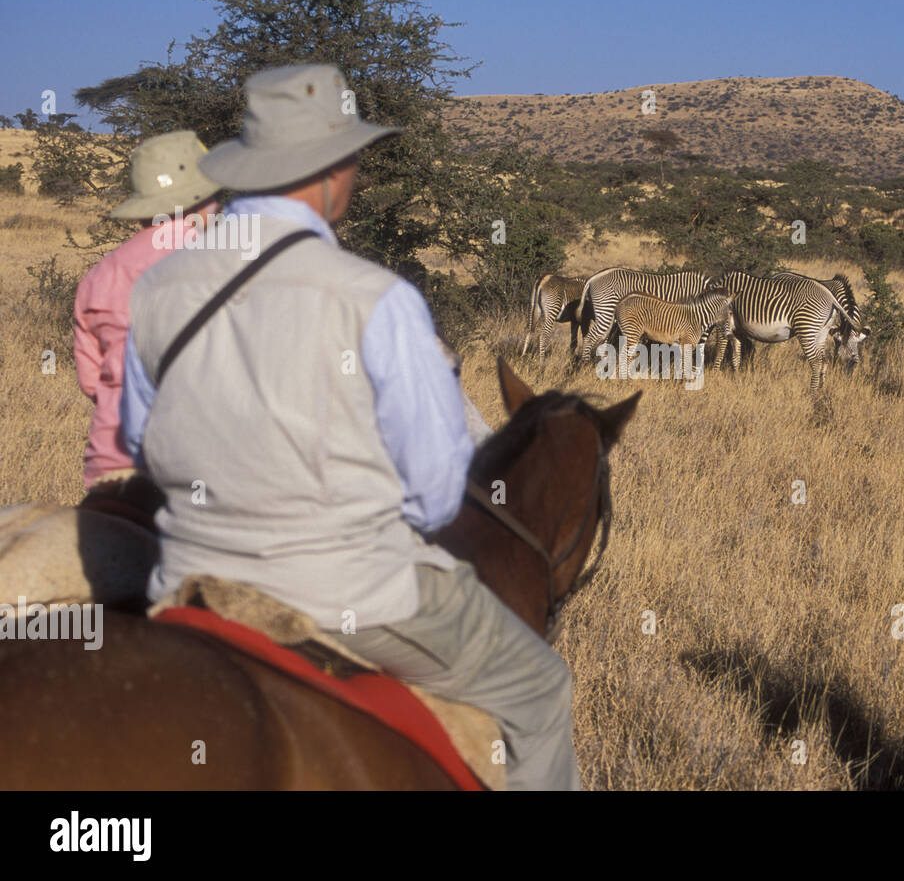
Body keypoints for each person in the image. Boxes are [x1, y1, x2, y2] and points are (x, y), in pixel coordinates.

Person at [119, 64, 580, 790]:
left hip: (189, 579)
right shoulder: (377, 299)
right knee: (542, 688)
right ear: (332, 171)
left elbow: (139, 443)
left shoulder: (159, 286)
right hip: (347, 593)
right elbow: (435, 495)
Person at [74, 131, 222, 531]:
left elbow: (92, 383)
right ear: (202, 202)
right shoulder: (224, 264)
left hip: (112, 468)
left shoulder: (98, 276)